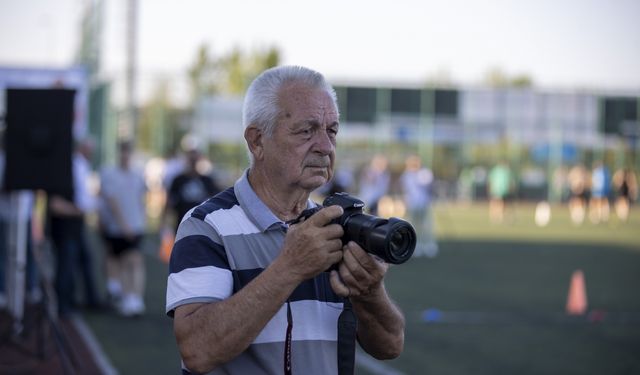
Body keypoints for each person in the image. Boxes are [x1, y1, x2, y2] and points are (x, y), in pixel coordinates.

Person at [166, 66, 405, 374]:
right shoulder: (207, 226)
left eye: (331, 130)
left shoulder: (337, 227)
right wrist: (290, 267)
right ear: (257, 141)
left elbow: (390, 345)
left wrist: (370, 293)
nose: (325, 146)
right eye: (306, 131)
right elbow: (197, 350)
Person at [48, 137, 101, 316]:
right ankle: (63, 305)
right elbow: (54, 205)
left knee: (83, 262)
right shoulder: (62, 172)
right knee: (66, 267)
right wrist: (78, 210)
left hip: (74, 228)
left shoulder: (76, 169)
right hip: (65, 230)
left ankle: (88, 300)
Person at [98, 141, 147, 316]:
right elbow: (110, 201)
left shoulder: (138, 174)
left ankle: (134, 298)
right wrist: (121, 223)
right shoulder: (109, 173)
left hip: (135, 226)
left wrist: (141, 220)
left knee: (133, 260)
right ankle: (123, 295)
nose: (125, 156)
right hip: (115, 228)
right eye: (123, 152)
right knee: (116, 261)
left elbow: (142, 199)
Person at [163, 140, 221, 234]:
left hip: (201, 227)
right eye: (191, 159)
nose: (193, 163)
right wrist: (164, 223)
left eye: (195, 159)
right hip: (181, 226)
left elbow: (216, 201)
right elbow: (169, 202)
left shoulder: (207, 181)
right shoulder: (178, 180)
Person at [400, 155, 438, 257]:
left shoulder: (424, 173)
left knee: (426, 226)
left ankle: (429, 245)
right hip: (412, 203)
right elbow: (405, 189)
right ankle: (415, 246)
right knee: (413, 226)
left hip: (424, 203)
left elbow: (430, 186)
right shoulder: (406, 175)